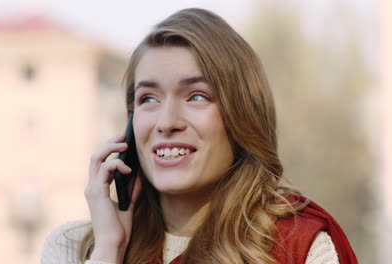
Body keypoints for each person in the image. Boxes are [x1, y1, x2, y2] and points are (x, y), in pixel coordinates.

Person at [41, 8, 357, 264]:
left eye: (196, 97)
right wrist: (109, 251)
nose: (166, 123)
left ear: (241, 116)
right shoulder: (75, 248)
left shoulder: (300, 247)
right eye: (148, 99)